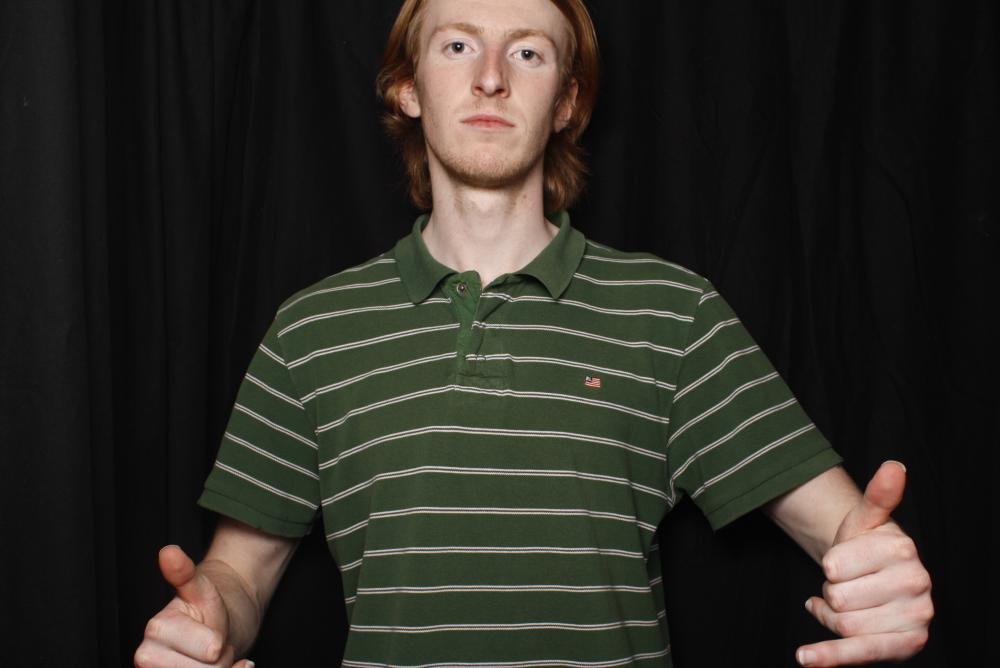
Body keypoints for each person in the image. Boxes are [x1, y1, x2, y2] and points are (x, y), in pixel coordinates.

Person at [133, 0, 933, 666]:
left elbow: (845, 530)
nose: (491, 76)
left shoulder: (672, 313)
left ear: (568, 102)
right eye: (457, 46)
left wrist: (880, 579)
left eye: (527, 52)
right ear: (408, 88)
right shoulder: (312, 329)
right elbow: (239, 575)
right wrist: (210, 623)